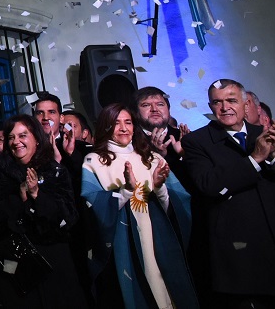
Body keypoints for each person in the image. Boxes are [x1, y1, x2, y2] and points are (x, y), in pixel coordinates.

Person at [181, 79, 275, 307]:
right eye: (217, 102)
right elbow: (209, 185)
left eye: (232, 100)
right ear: (211, 107)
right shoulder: (197, 141)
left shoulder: (268, 133)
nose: (225, 108)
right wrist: (255, 159)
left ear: (247, 104)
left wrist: (273, 156)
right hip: (243, 256)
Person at [81, 104, 198, 309]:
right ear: (105, 127)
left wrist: (160, 187)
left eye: (128, 122)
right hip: (123, 239)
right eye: (115, 123)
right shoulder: (94, 161)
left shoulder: (152, 158)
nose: (123, 128)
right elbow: (91, 205)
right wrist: (126, 191)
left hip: (157, 235)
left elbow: (180, 202)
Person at [0, 114, 81, 307]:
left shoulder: (55, 171)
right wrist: (20, 201)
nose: (16, 142)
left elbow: (69, 217)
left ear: (36, 137)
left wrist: (37, 197)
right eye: (11, 137)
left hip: (54, 262)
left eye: (23, 135)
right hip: (15, 266)